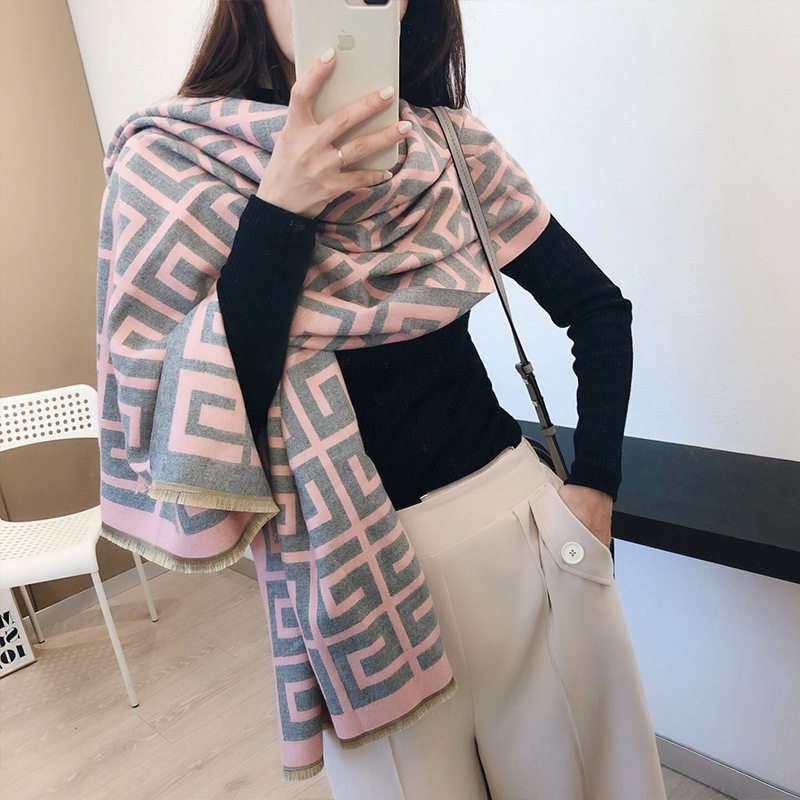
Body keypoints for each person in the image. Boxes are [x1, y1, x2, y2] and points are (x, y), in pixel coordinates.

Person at [97, 1, 667, 798]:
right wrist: (282, 202)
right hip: (347, 582)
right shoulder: (171, 167)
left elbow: (597, 309)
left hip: (522, 532)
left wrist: (595, 488)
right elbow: (185, 421)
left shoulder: (450, 148)